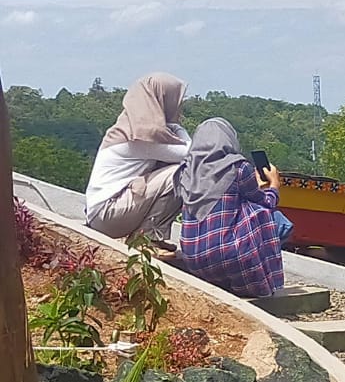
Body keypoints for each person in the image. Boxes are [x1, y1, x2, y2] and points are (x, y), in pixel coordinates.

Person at [174, 118, 292, 298]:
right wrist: (274, 185)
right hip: (231, 255)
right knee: (275, 219)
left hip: (194, 259)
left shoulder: (185, 172)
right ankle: (259, 278)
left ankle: (222, 281)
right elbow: (265, 202)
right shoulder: (238, 167)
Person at [85, 72, 190, 246]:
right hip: (107, 214)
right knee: (182, 173)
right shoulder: (138, 138)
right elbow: (190, 154)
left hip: (102, 212)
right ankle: (148, 239)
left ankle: (145, 236)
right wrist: (177, 127)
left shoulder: (127, 128)